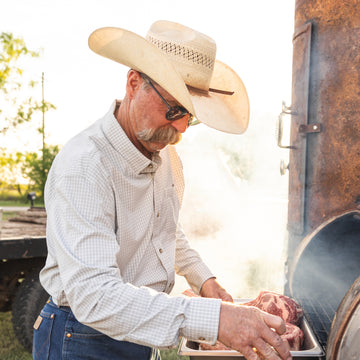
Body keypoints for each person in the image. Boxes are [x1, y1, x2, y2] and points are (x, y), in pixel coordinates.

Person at [32, 20, 292, 360]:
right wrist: (213, 319)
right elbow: (94, 296)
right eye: (173, 109)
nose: (182, 127)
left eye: (190, 115)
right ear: (133, 83)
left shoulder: (167, 154)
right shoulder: (85, 165)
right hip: (81, 335)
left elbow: (165, 232)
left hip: (139, 331)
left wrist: (204, 280)